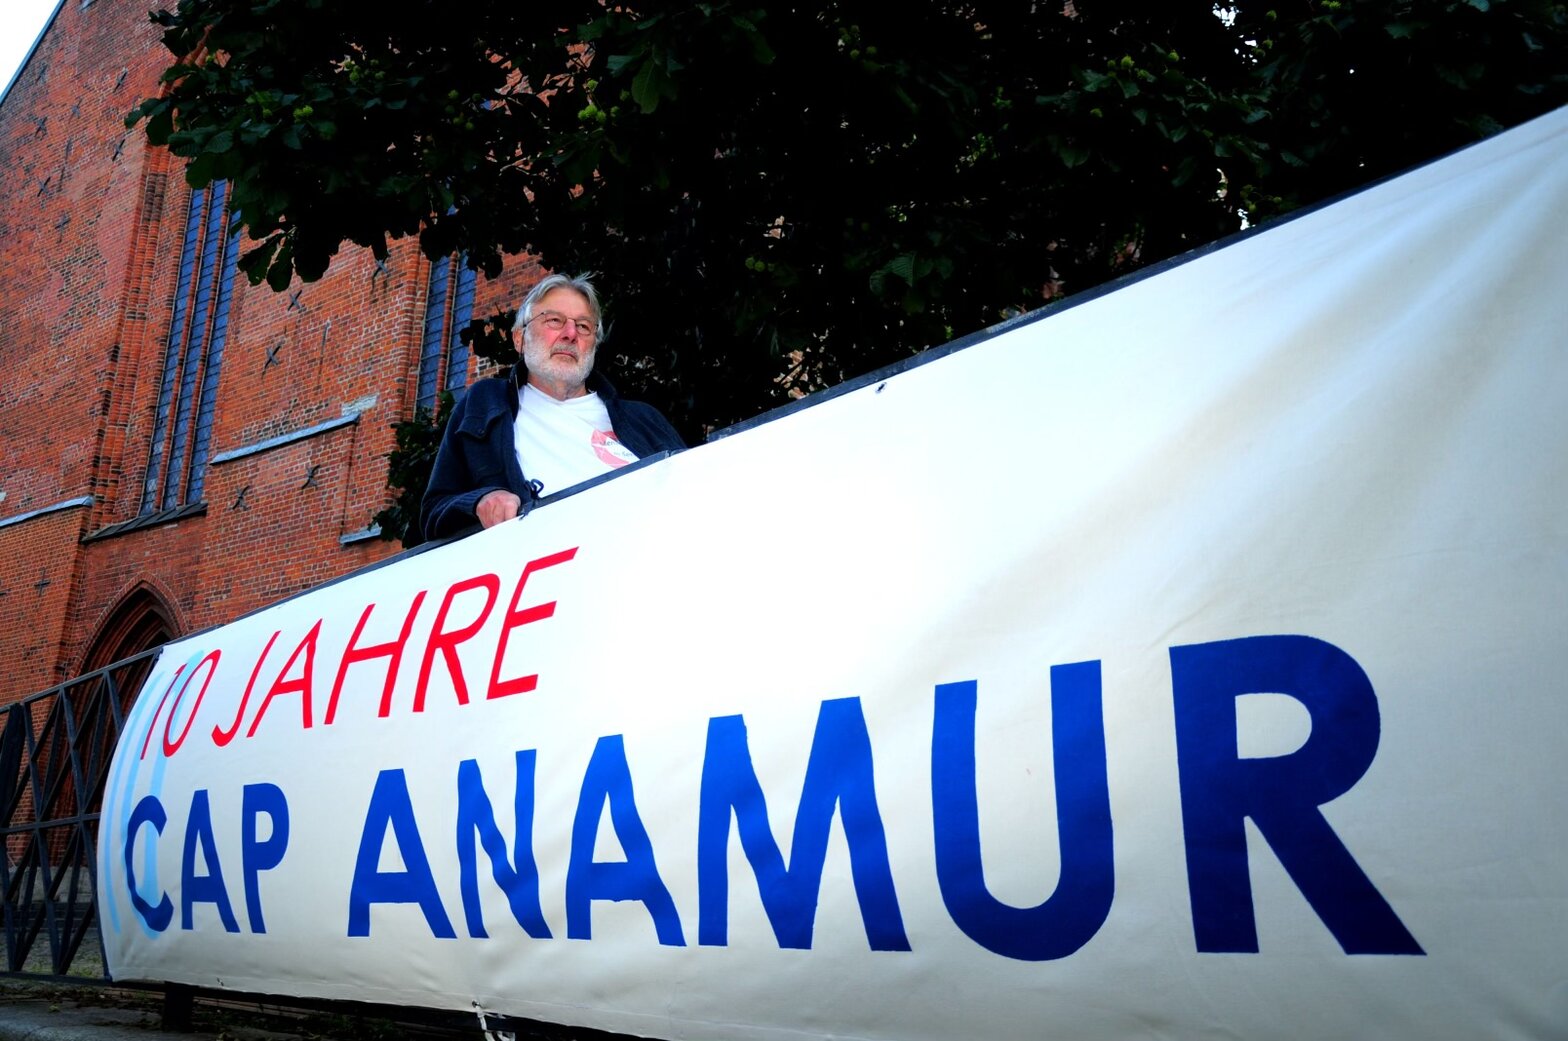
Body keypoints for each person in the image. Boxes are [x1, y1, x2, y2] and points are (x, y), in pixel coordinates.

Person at [420, 273, 685, 542]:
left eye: (583, 326)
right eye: (554, 321)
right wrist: (480, 501)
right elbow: (433, 513)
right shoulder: (485, 403)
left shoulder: (643, 419)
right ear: (519, 339)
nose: (570, 334)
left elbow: (694, 490)